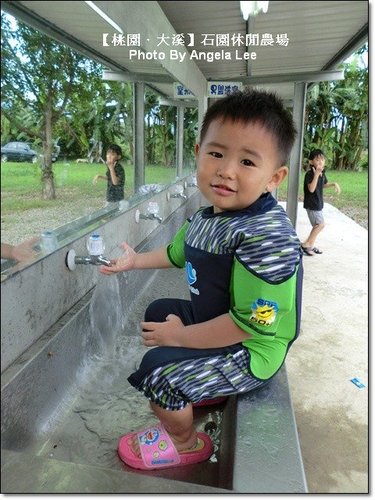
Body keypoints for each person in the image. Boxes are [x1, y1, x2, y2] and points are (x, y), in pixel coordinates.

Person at [100, 89, 303, 471]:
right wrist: (134, 261)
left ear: (274, 177)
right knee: (160, 311)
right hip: (220, 324)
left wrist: (179, 339)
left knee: (158, 371)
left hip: (252, 350)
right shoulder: (211, 214)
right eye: (216, 153)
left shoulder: (267, 238)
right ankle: (201, 387)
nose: (226, 170)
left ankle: (185, 440)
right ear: (198, 152)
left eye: (247, 161)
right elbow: (178, 253)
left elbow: (248, 324)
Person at [301, 149, 341, 256]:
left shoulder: (322, 173)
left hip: (318, 203)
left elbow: (323, 184)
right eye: (317, 159)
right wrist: (316, 174)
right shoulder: (309, 174)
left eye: (322, 159)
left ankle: (310, 245)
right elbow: (311, 189)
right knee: (320, 225)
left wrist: (334, 184)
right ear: (311, 162)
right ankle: (306, 244)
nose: (320, 162)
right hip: (312, 204)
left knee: (317, 226)